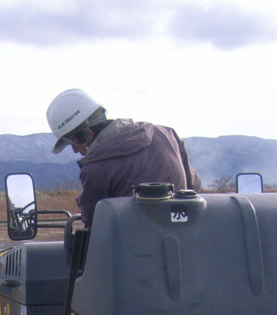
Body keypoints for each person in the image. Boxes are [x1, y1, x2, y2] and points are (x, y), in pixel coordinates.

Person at [46, 88, 200, 226]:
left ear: (86, 135)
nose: (74, 150)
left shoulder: (95, 168)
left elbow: (93, 222)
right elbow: (193, 184)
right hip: (185, 243)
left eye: (73, 142)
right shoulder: (165, 134)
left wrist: (83, 200)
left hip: (132, 253)